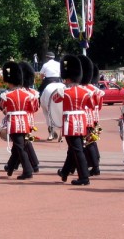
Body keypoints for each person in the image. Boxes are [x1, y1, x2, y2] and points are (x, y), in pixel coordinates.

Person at [54, 54, 94, 186]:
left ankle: (84, 177)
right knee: (74, 149)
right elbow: (92, 105)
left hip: (70, 122)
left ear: (68, 78)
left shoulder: (64, 92)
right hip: (81, 121)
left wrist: (59, 91)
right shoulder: (85, 91)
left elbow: (55, 100)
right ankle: (65, 172)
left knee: (77, 150)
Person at [0, 61, 35, 180]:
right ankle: (10, 168)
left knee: (20, 148)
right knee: (18, 146)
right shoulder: (28, 95)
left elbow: (3, 108)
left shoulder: (7, 96)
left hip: (14, 122)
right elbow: (32, 109)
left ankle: (28, 170)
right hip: (24, 122)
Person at [38, 51, 62, 139]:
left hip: (48, 81)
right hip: (58, 80)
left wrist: (43, 77)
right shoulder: (58, 64)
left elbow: (41, 76)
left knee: (39, 91)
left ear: (47, 58)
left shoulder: (45, 65)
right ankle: (61, 134)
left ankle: (38, 102)